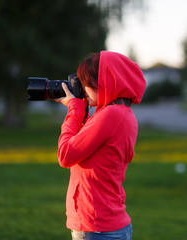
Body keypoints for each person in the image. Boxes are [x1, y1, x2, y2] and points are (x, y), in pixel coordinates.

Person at [55, 51, 146, 240]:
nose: (84, 89)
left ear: (106, 81)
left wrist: (74, 109)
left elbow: (65, 155)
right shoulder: (121, 114)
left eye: (87, 83)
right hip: (105, 225)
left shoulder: (111, 116)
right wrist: (79, 109)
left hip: (97, 228)